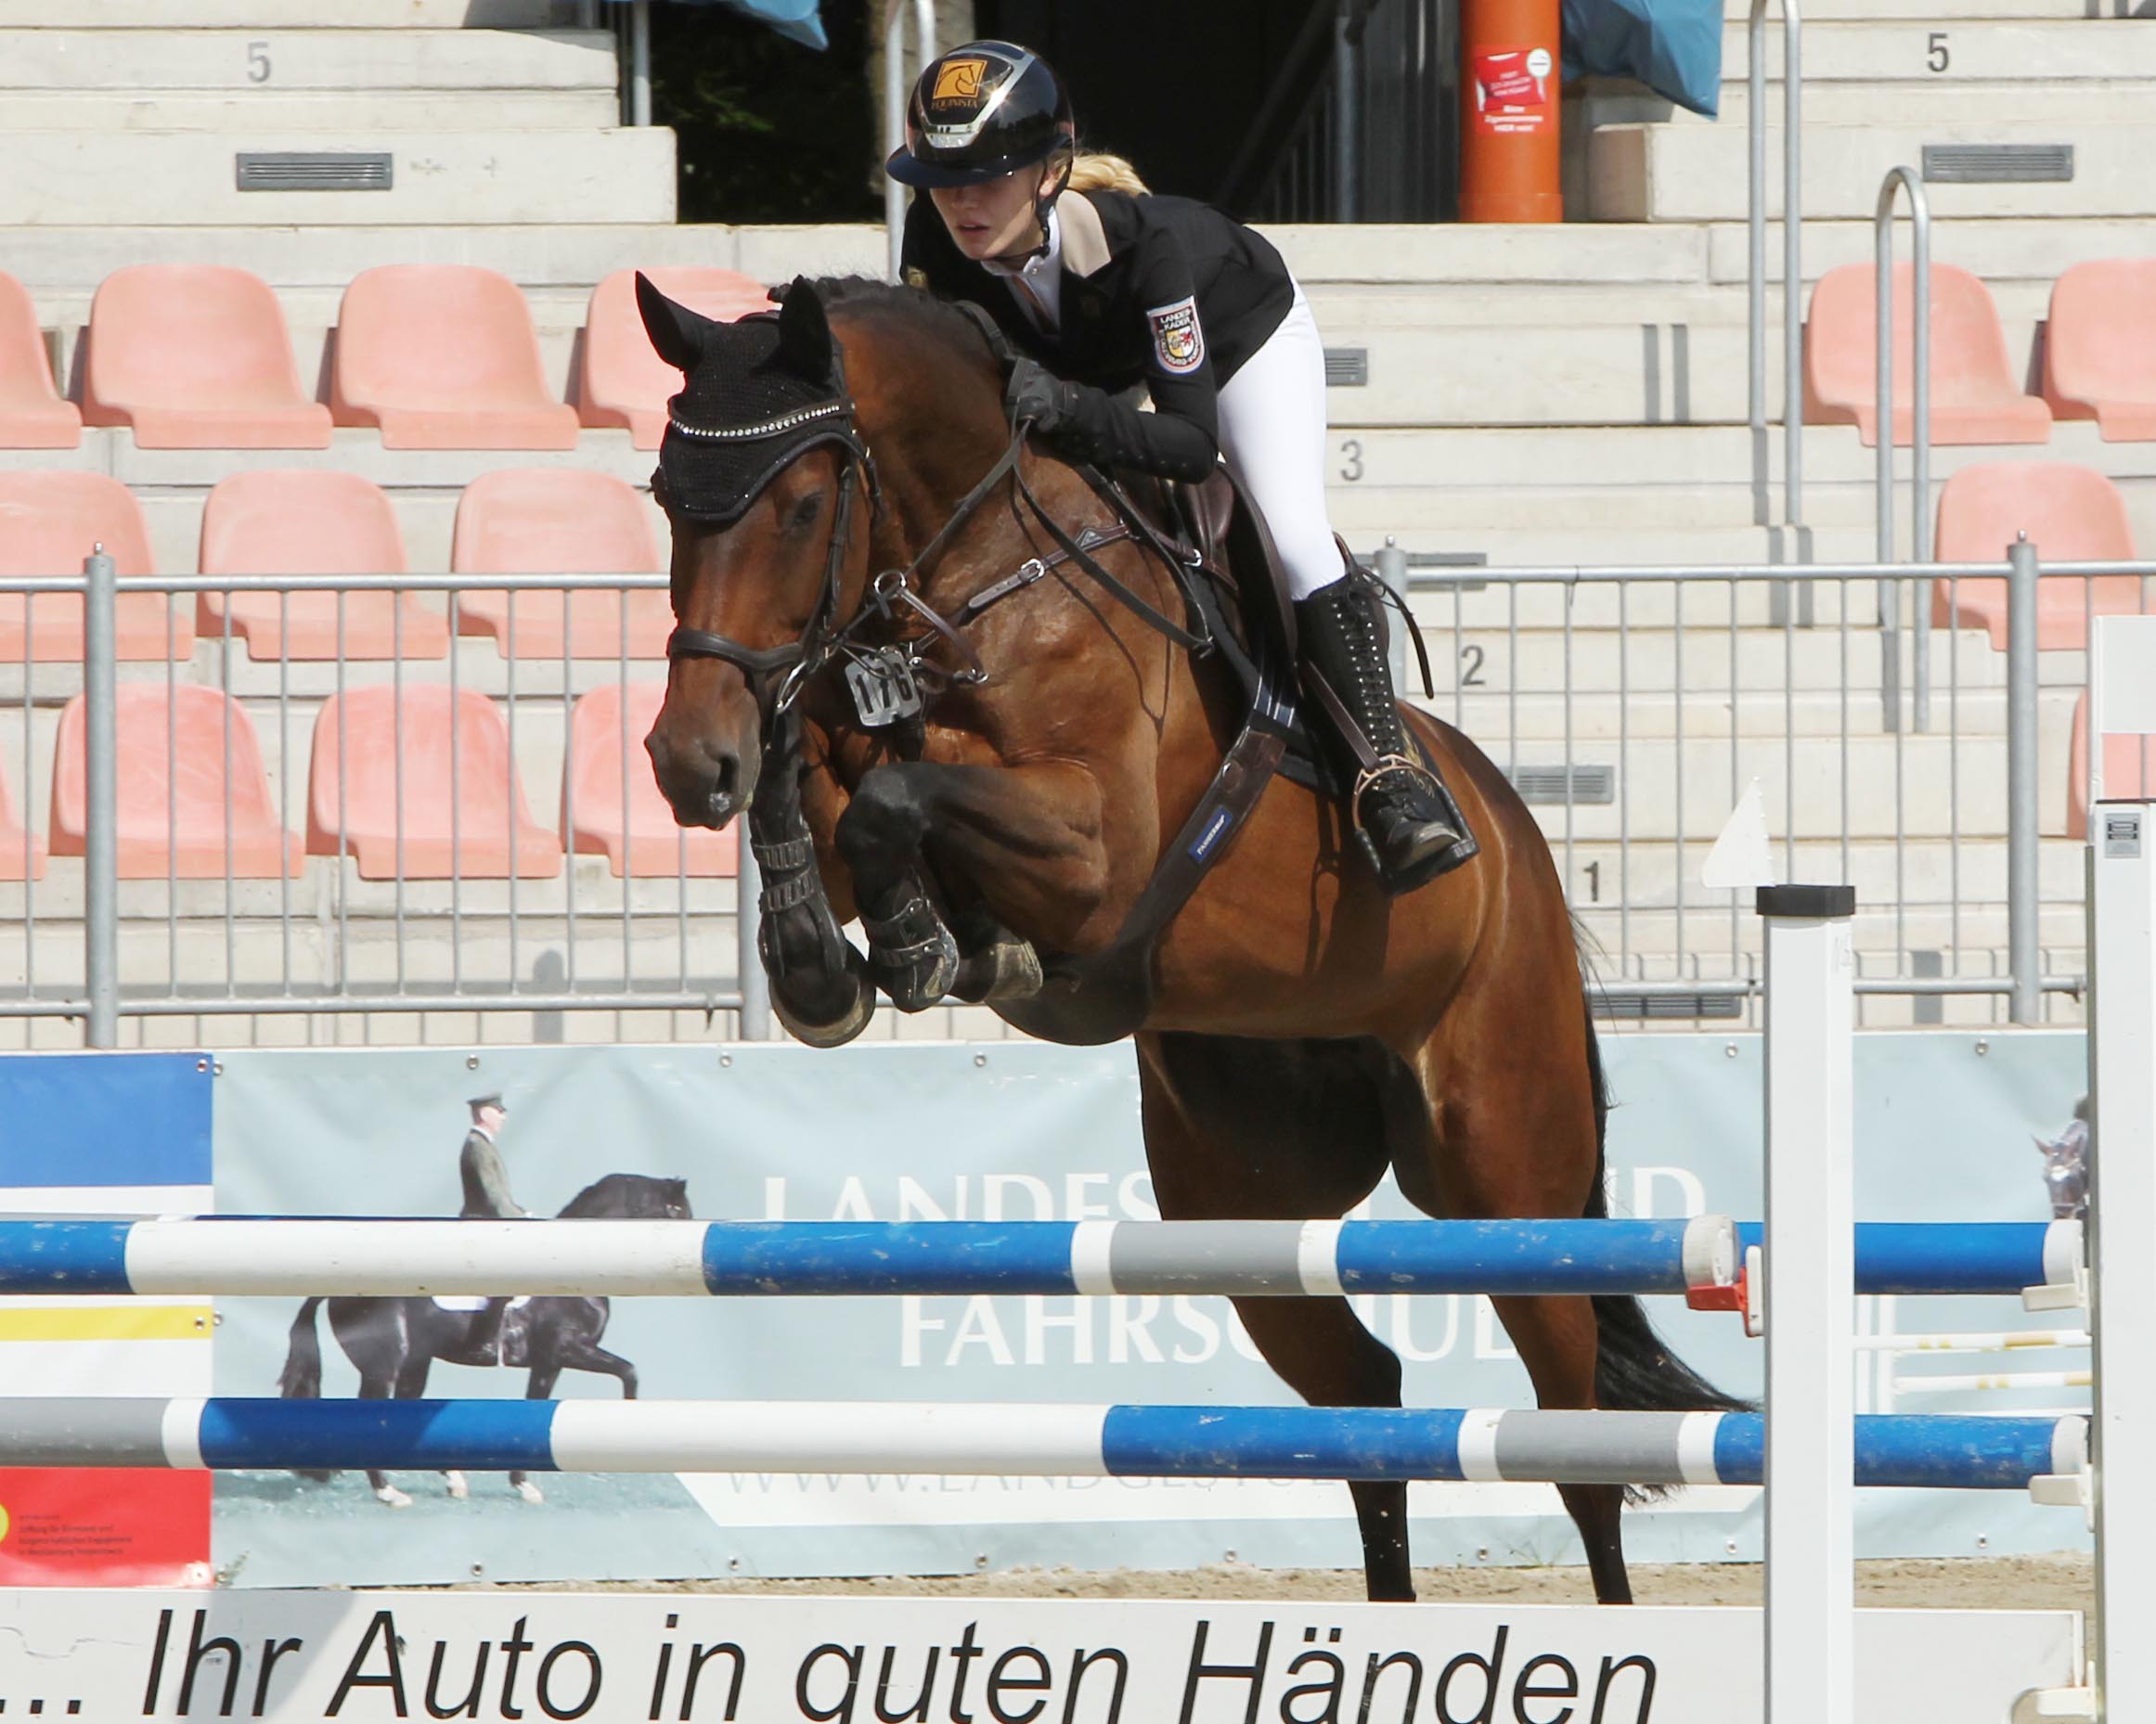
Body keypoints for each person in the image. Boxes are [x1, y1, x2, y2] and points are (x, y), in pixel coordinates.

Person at [885, 40, 1475, 894]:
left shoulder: (1150, 248)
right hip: (1086, 364)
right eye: (941, 182)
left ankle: (1389, 775)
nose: (960, 203)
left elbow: (1194, 445)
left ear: (1051, 173)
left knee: (1290, 530)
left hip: (1238, 337)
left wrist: (1076, 411)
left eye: (988, 175)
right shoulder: (932, 246)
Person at [457, 1092, 528, 1364]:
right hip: (482, 1226)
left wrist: (523, 1212)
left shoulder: (484, 1145)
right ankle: (485, 1341)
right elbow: (493, 1197)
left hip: (491, 1221)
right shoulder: (477, 1146)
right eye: (499, 1111)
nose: (503, 1116)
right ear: (485, 1114)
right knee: (505, 1276)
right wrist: (519, 1220)